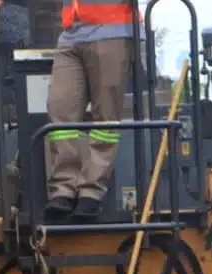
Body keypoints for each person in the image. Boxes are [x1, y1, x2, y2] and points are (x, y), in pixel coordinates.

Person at [42, 0, 138, 223]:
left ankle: (91, 192)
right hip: (71, 34)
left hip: (111, 30)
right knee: (60, 111)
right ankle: (63, 189)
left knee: (106, 117)